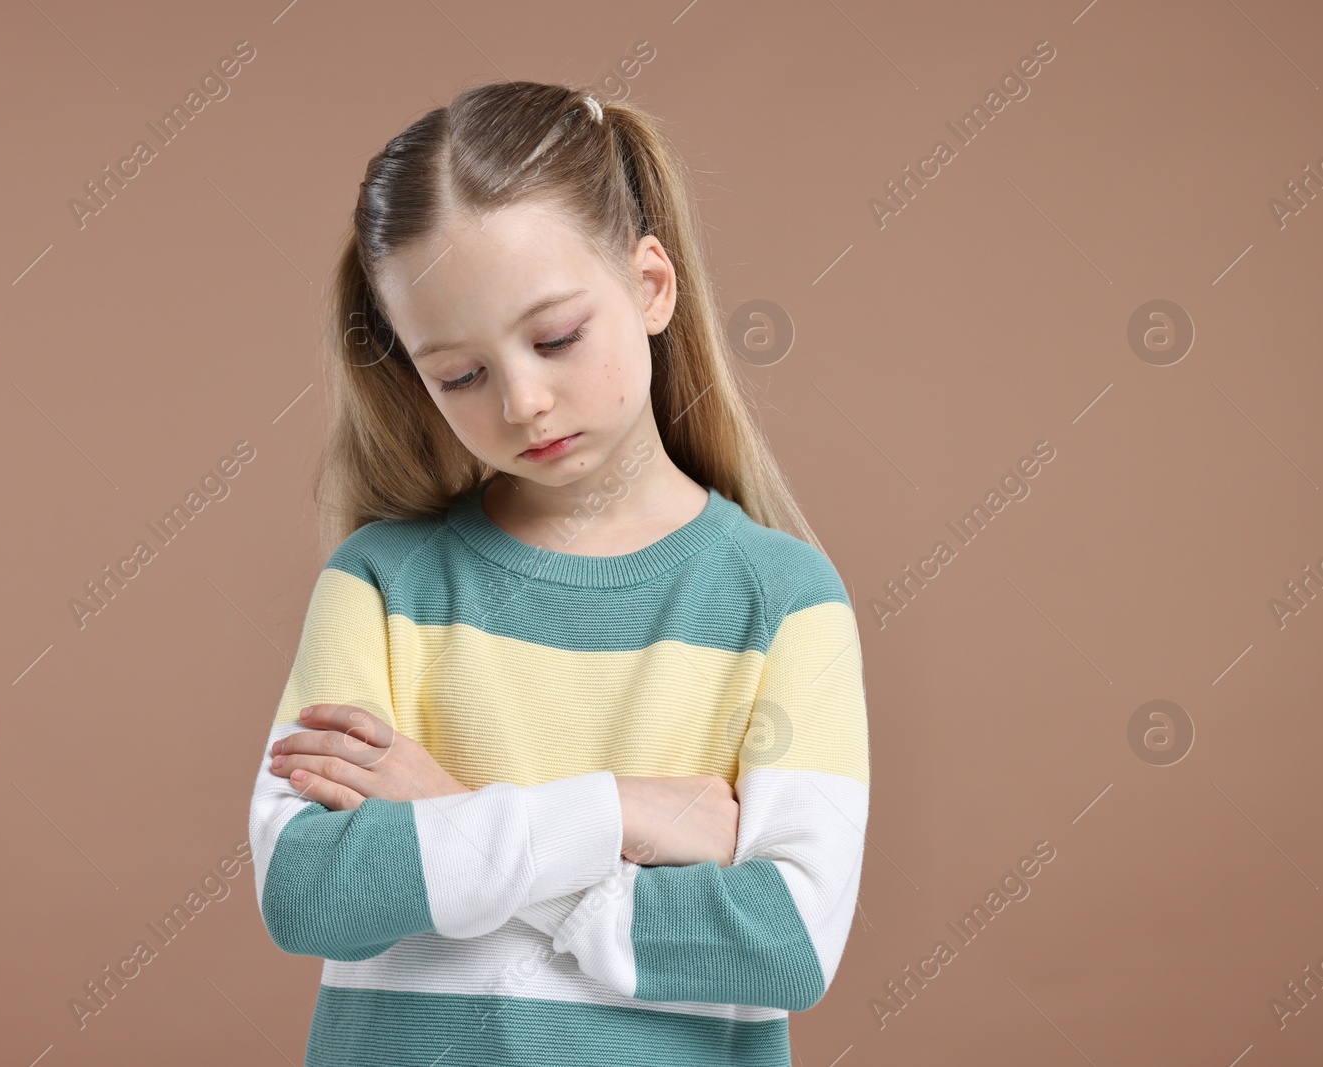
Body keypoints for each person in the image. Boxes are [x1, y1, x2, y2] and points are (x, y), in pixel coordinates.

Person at [246, 80, 870, 1067]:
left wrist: (445, 814)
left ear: (650, 285)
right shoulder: (375, 583)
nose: (524, 400)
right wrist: (620, 811)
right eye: (459, 374)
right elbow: (312, 890)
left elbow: (779, 942)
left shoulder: (782, 603)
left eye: (555, 337)